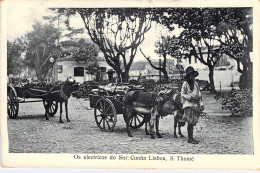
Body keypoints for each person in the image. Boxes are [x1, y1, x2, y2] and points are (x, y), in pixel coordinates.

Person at [181, 66, 204, 144]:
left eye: (193, 75)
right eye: (191, 75)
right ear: (188, 75)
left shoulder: (196, 83)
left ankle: (191, 137)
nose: (192, 76)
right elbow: (182, 94)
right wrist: (188, 97)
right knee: (190, 121)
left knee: (193, 121)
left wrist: (201, 104)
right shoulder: (185, 83)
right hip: (189, 104)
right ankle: (190, 138)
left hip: (195, 104)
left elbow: (199, 94)